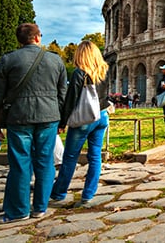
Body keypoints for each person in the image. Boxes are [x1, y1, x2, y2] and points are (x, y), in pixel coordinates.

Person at [0, 23, 67, 224]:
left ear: (19, 40)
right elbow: (62, 94)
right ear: (38, 37)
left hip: (19, 117)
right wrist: (61, 118)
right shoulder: (55, 60)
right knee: (45, 161)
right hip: (48, 117)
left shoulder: (8, 59)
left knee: (20, 163)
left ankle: (18, 211)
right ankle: (40, 207)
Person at [50, 40, 111, 206]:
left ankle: (59, 192)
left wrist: (62, 123)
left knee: (70, 157)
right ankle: (88, 194)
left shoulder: (79, 73)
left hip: (85, 118)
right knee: (95, 156)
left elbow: (71, 101)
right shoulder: (103, 71)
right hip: (102, 115)